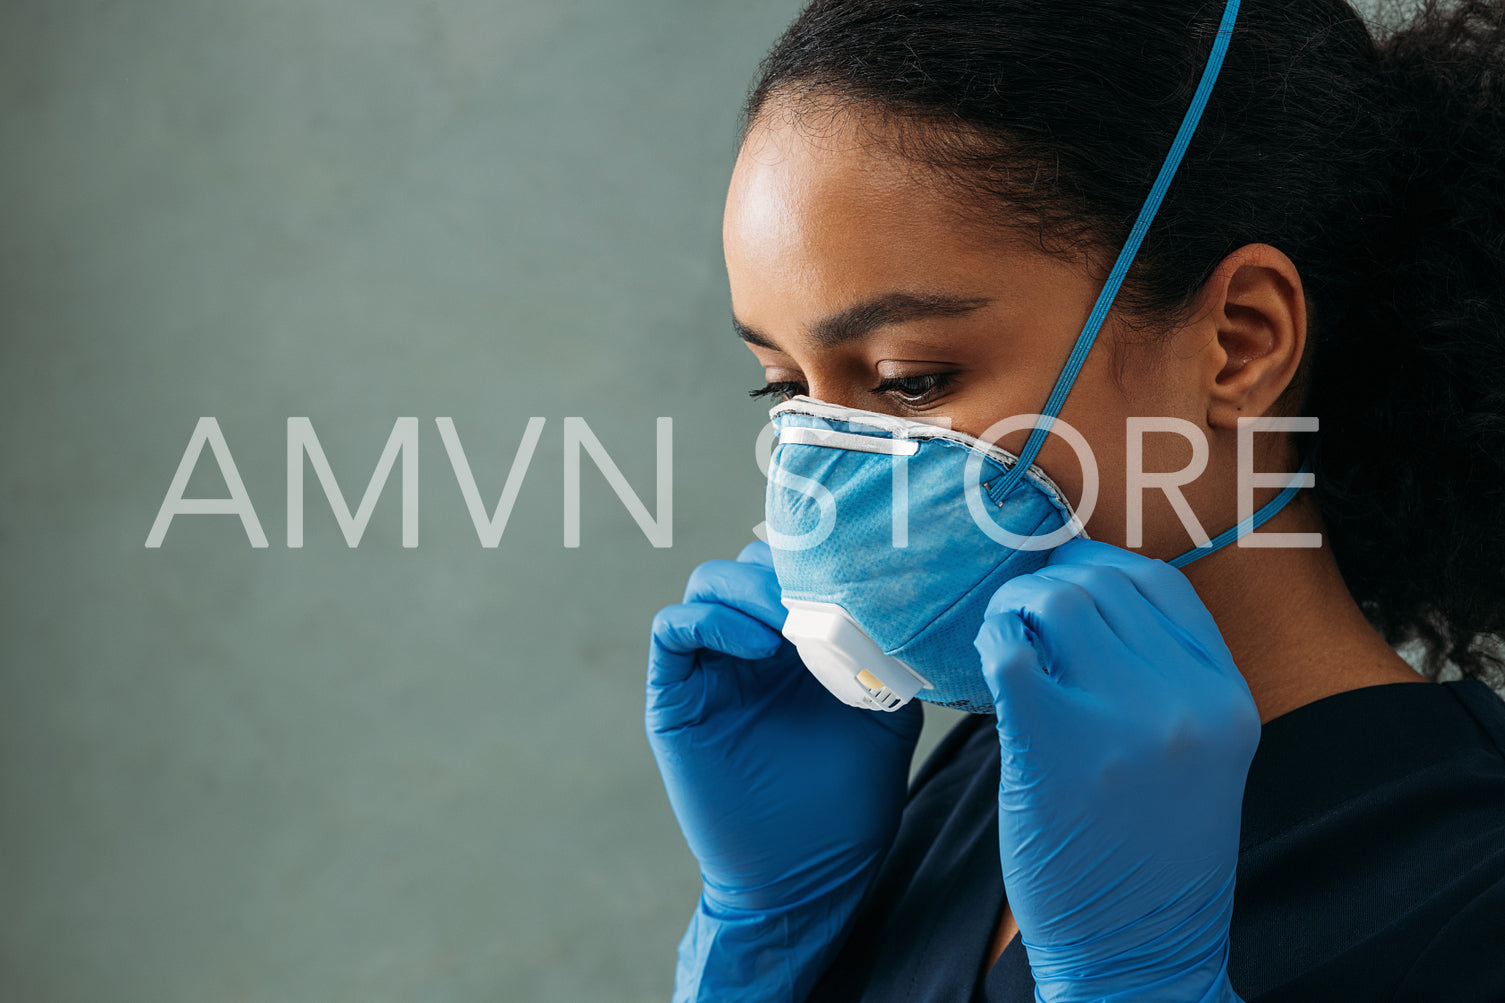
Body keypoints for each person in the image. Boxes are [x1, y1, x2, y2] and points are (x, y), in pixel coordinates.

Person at [645, 0, 1505, 999]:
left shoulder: (1466, 892)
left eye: (909, 377)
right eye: (787, 389)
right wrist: (763, 934)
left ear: (1239, 338)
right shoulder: (988, 781)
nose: (817, 478)